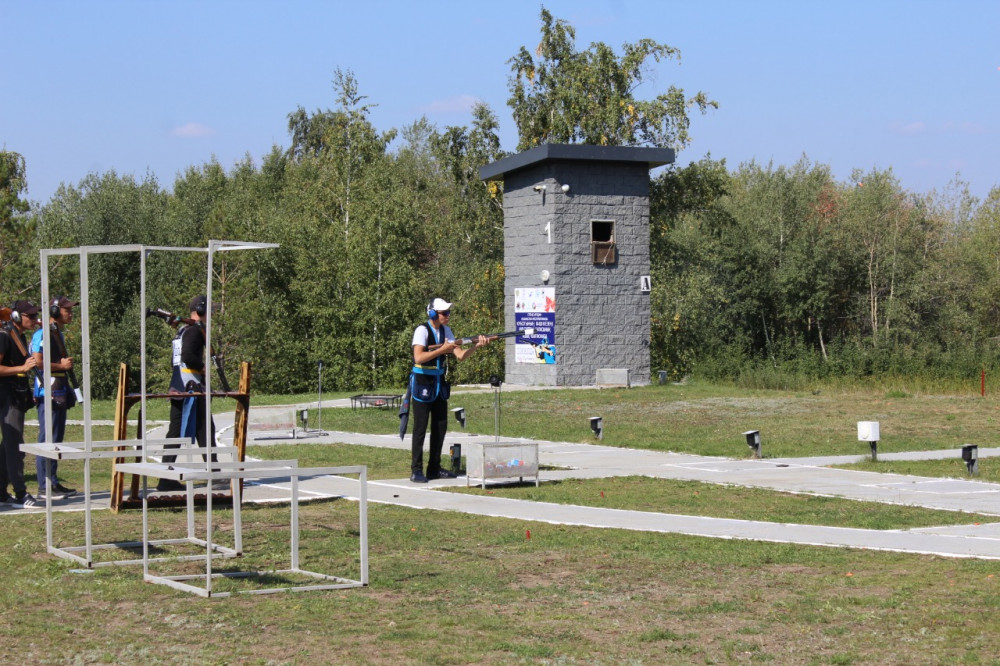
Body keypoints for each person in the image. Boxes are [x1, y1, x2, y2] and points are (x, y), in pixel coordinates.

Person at [409, 297, 492, 483]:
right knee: (420, 429)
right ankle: (416, 470)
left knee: (440, 427)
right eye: (444, 313)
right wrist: (443, 349)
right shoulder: (421, 331)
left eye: (448, 312)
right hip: (423, 382)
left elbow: (460, 355)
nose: (448, 315)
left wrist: (476, 346)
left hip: (438, 384)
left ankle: (434, 468)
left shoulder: (447, 331)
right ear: (433, 314)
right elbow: (418, 357)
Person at [157, 295, 216, 492]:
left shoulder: (183, 330)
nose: (212, 315)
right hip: (190, 385)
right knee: (203, 428)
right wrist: (203, 367)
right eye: (210, 310)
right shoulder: (194, 331)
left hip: (180, 384)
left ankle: (168, 476)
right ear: (200, 310)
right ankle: (213, 473)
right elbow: (188, 356)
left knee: (199, 429)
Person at [31, 296, 79, 499]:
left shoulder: (55, 332)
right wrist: (62, 366)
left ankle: (53, 481)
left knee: (56, 439)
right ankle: (44, 486)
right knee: (47, 439)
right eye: (66, 309)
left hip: (59, 389)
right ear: (54, 311)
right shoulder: (44, 334)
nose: (70, 313)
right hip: (49, 391)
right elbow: (38, 362)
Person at [0, 301, 42, 507]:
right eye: (31, 317)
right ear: (16, 316)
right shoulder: (4, 336)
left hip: (17, 395)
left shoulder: (19, 336)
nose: (34, 320)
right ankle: (20, 493)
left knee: (7, 446)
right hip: (6, 397)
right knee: (14, 447)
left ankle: (1, 491)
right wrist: (22, 368)